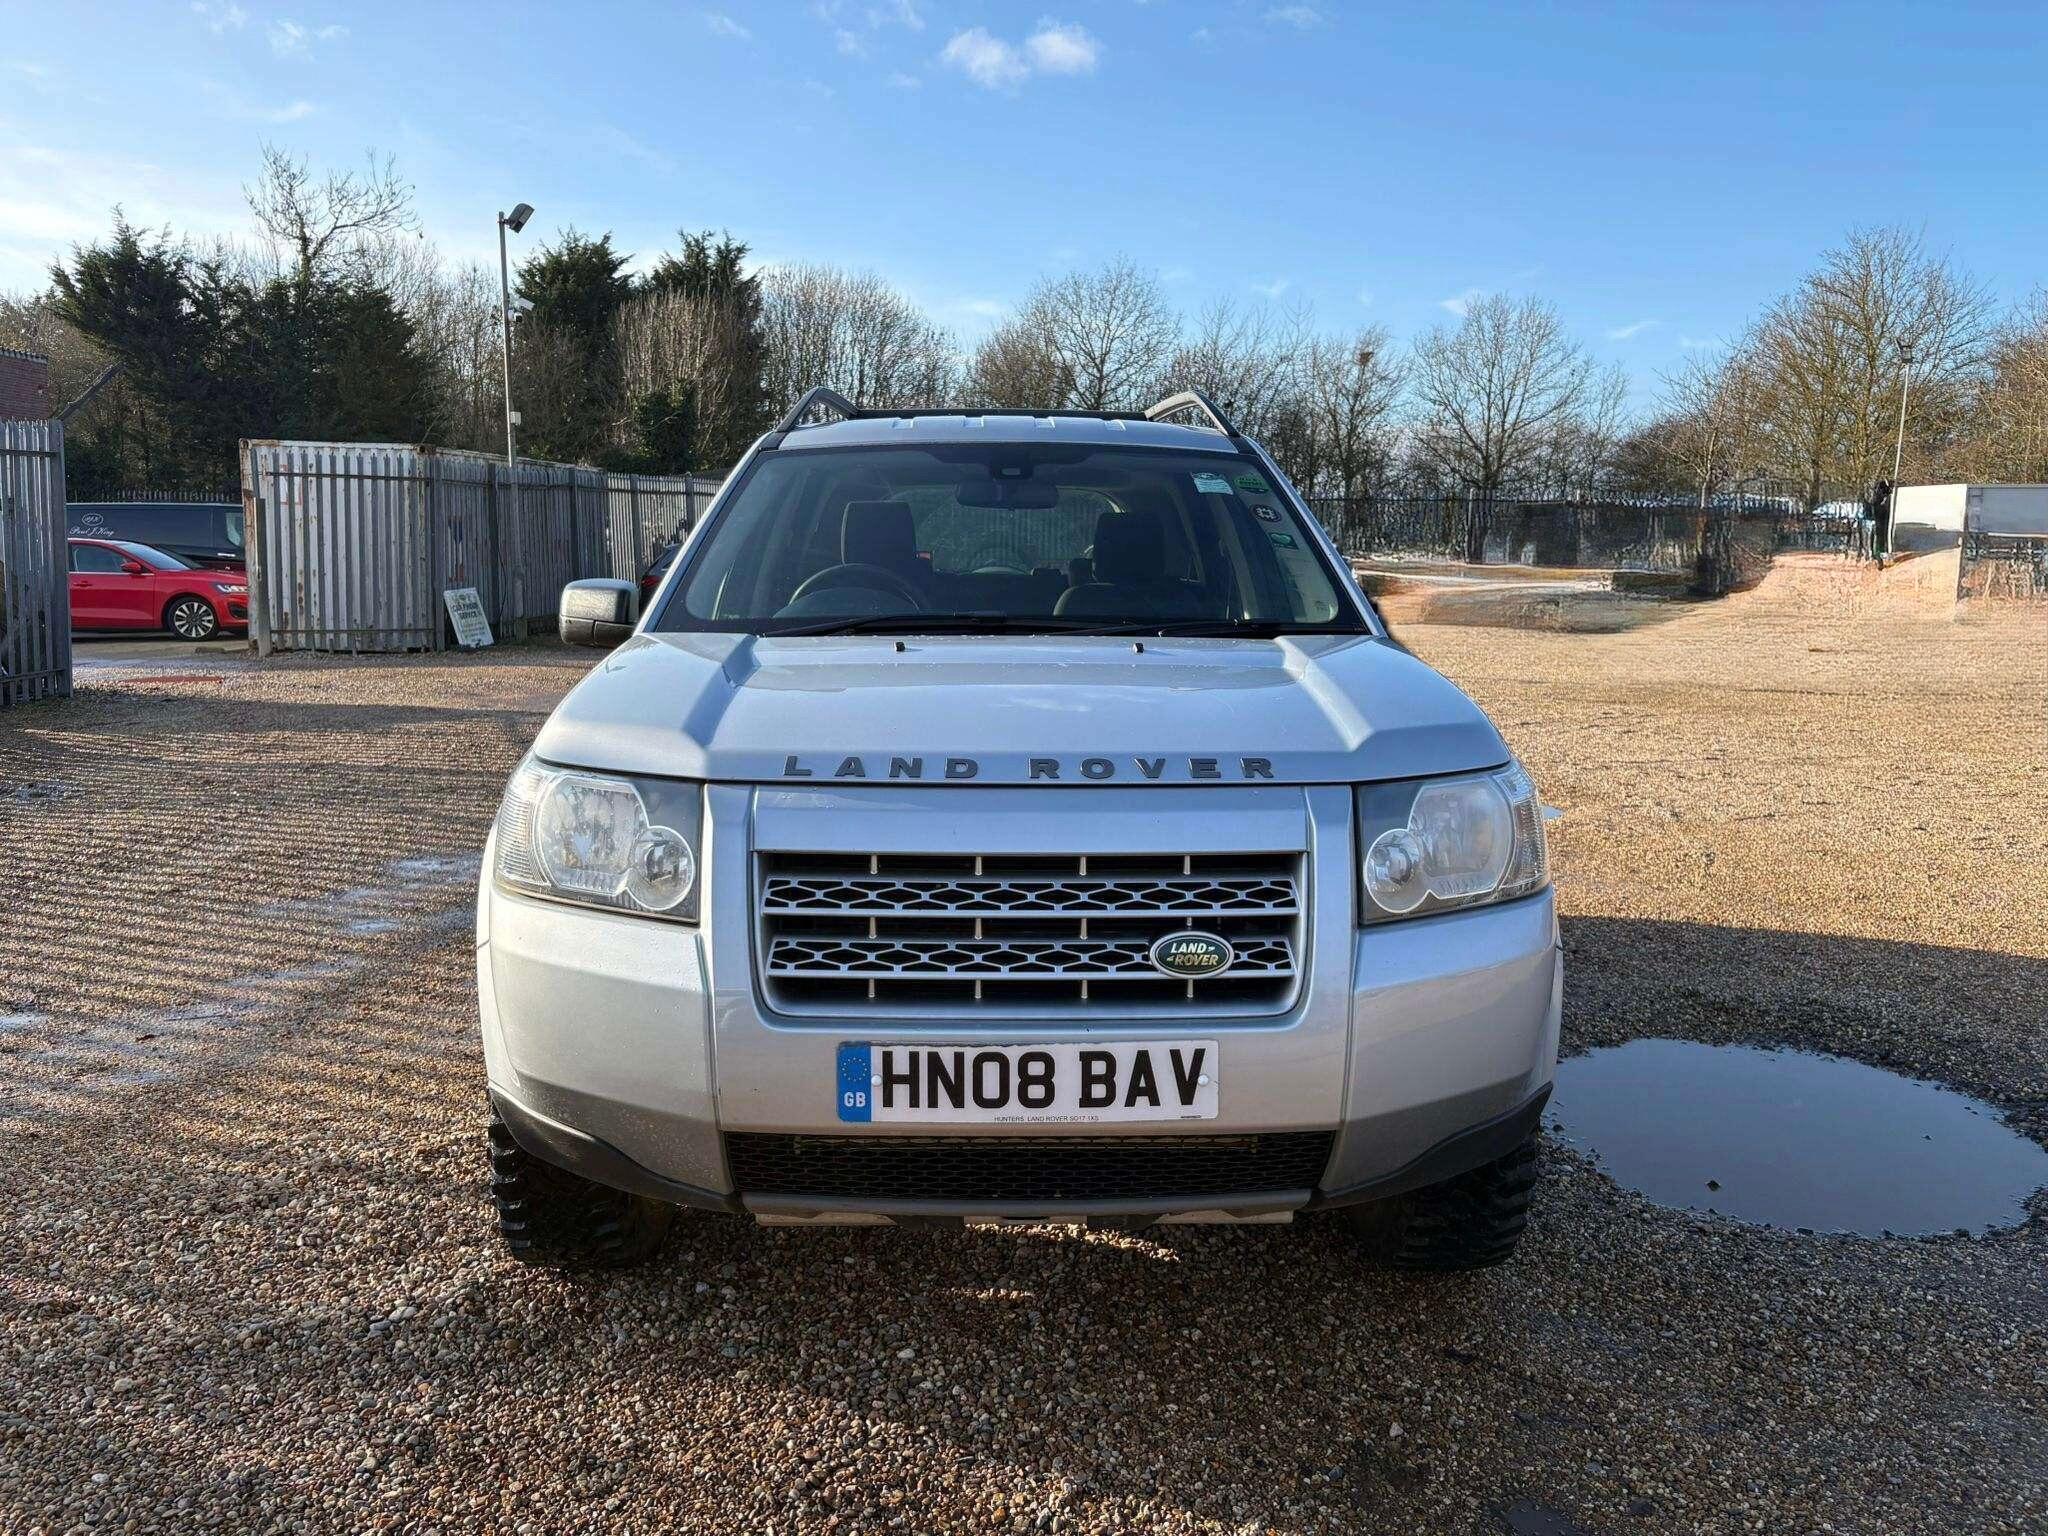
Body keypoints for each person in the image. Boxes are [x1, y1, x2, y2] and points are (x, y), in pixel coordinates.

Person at [1869, 478, 1893, 562]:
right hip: (1878, 520)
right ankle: (1877, 554)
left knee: (1877, 536)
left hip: (1878, 520)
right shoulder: (1877, 498)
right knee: (1878, 536)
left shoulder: (1876, 497)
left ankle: (1875, 553)